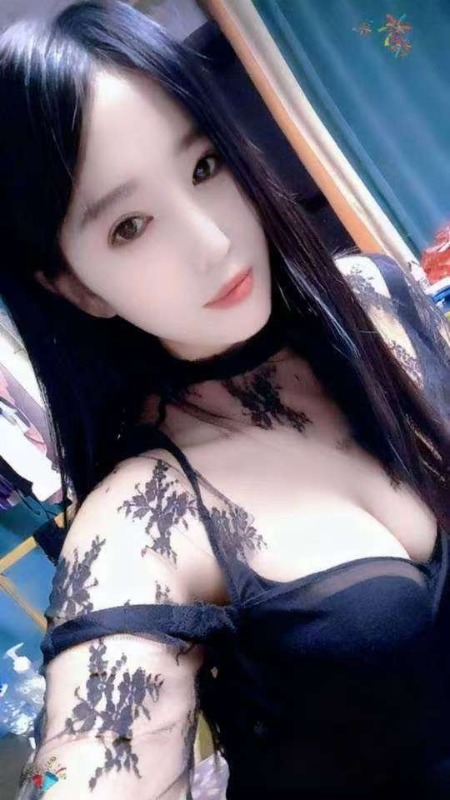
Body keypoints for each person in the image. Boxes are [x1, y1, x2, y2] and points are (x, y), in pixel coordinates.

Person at [1, 1, 449, 797]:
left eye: (205, 166)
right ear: (74, 286)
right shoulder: (142, 522)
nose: (214, 243)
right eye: (130, 226)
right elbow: (88, 755)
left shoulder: (377, 300)